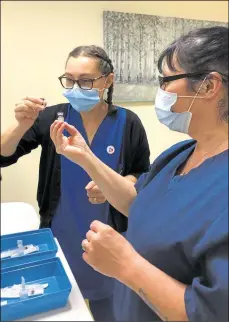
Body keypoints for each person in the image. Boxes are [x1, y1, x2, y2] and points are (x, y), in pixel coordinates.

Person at [50, 26, 228, 321]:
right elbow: (135, 201)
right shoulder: (180, 154)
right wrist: (86, 157)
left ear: (209, 87)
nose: (161, 91)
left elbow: (209, 313)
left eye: (166, 80)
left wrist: (125, 265)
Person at [0, 45, 150, 320]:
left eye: (85, 80)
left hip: (110, 236)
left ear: (108, 80)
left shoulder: (128, 123)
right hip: (62, 233)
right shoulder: (52, 118)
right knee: (67, 309)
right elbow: (3, 154)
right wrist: (21, 124)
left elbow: (141, 173)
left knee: (112, 310)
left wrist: (113, 185)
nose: (74, 87)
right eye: (68, 79)